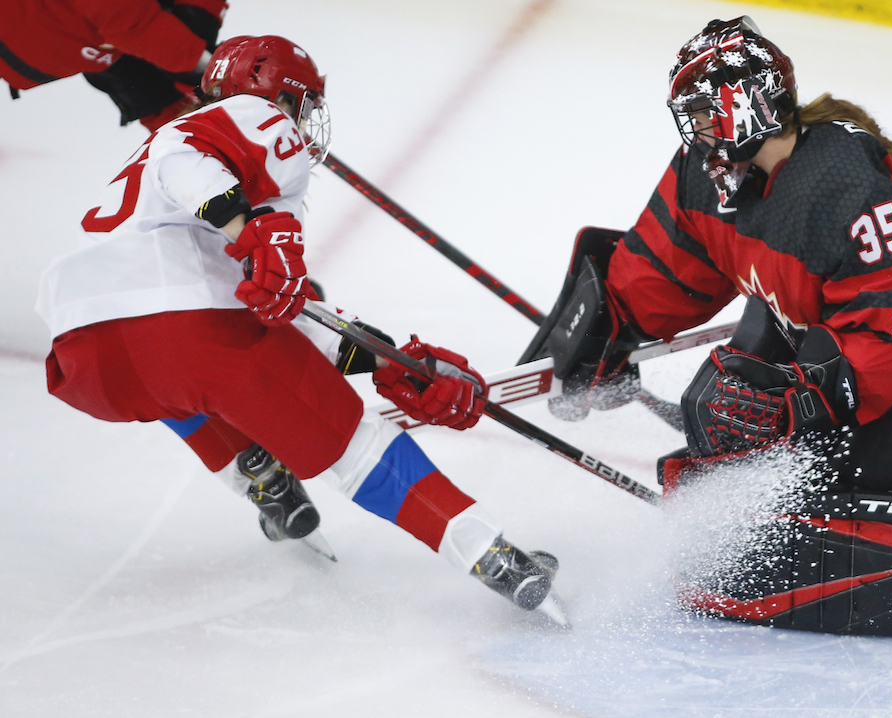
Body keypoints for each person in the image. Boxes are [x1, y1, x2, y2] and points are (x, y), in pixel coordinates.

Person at [523, 17, 892, 650]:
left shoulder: (841, 184)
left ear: (747, 104)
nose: (695, 129)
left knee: (783, 512)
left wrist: (801, 406)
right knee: (728, 469)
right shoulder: (712, 173)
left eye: (704, 112)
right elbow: (670, 262)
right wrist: (609, 327)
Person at [35, 34, 558, 612]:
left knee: (178, 382)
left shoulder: (170, 165)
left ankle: (259, 477)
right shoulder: (254, 119)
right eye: (302, 103)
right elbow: (185, 168)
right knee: (354, 443)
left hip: (84, 357)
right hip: (187, 331)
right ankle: (491, 554)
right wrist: (247, 229)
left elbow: (272, 311)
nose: (303, 122)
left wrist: (388, 358)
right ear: (279, 94)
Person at [2, 0, 227, 130]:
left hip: (90, 34)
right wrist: (210, 69)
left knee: (159, 97)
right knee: (158, 95)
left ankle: (204, 154)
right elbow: (137, 26)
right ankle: (199, 159)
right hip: (42, 35)